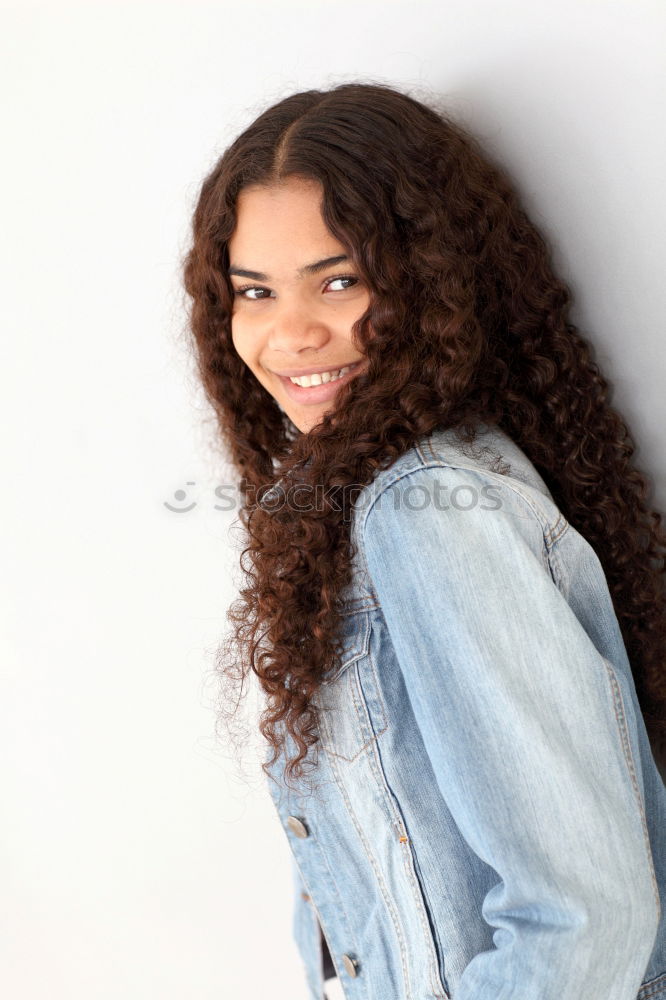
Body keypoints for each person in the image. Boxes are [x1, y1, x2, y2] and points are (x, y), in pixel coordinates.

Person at [182, 82, 666, 1000]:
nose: (291, 333)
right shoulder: (359, 502)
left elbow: (585, 916)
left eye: (339, 280)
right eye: (255, 291)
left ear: (427, 282)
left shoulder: (422, 508)